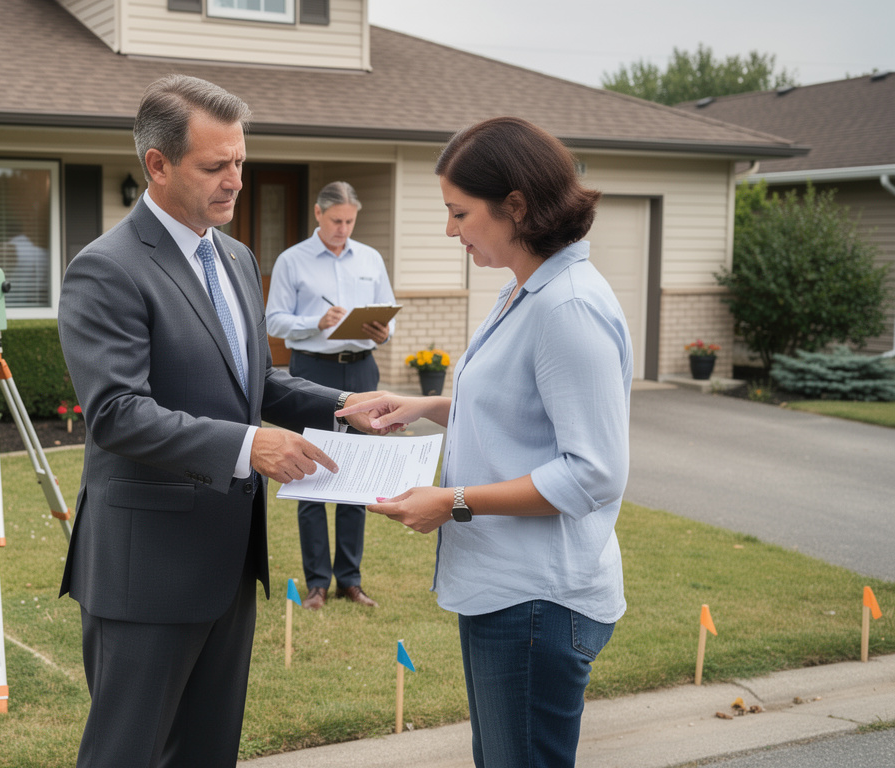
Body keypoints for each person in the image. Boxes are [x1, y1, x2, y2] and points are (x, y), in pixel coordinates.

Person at [57, 75, 381, 768]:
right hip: (147, 570)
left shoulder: (234, 257)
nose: (236, 180)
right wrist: (248, 446)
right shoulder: (105, 269)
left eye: (240, 161)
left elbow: (252, 383)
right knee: (126, 754)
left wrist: (343, 407)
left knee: (208, 753)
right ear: (158, 165)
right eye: (216, 166)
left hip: (230, 563)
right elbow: (116, 414)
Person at [338, 116, 632, 768]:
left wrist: (453, 502)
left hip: (537, 602)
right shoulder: (524, 290)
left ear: (516, 207)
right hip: (508, 593)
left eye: (458, 212)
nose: (450, 230)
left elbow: (593, 474)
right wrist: (423, 405)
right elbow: (518, 409)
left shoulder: (567, 307)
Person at [265, 181, 395, 610]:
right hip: (312, 374)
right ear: (318, 216)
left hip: (361, 369)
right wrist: (316, 322)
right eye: (336, 220)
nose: (343, 228)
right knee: (312, 476)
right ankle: (317, 583)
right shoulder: (291, 260)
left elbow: (387, 318)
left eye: (350, 221)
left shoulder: (371, 259)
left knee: (357, 478)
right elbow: (275, 322)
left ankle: (350, 581)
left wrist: (382, 330)